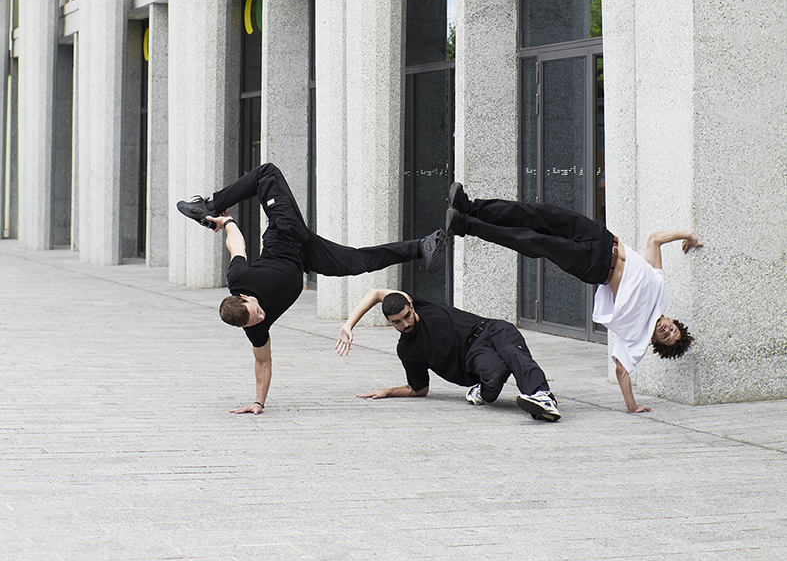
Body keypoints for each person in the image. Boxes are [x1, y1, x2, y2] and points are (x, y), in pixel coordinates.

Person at [177, 163, 446, 414]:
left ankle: (209, 205)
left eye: (255, 311)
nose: (260, 316)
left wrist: (227, 222)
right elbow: (262, 363)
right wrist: (258, 402)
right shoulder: (255, 328)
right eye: (254, 320)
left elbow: (237, 246)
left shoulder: (239, 280)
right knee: (357, 262)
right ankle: (422, 247)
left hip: (284, 233)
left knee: (266, 173)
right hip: (306, 256)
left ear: (244, 298)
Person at [444, 182, 701, 414]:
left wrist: (631, 406)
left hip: (593, 265)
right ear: (672, 320)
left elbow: (622, 371)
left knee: (532, 240)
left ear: (656, 340)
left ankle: (464, 225)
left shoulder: (637, 338)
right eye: (673, 329)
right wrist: (687, 234)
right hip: (602, 237)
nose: (667, 331)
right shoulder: (660, 291)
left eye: (666, 337)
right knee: (537, 214)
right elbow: (654, 240)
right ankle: (470, 207)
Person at [334, 288, 561, 421]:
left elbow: (374, 293)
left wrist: (349, 325)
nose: (405, 324)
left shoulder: (417, 304)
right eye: (397, 322)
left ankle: (541, 396)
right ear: (389, 322)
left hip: (490, 328)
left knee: (512, 350)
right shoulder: (407, 349)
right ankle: (483, 390)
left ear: (411, 307)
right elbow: (419, 389)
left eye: (406, 316)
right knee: (494, 373)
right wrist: (388, 391)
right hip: (475, 353)